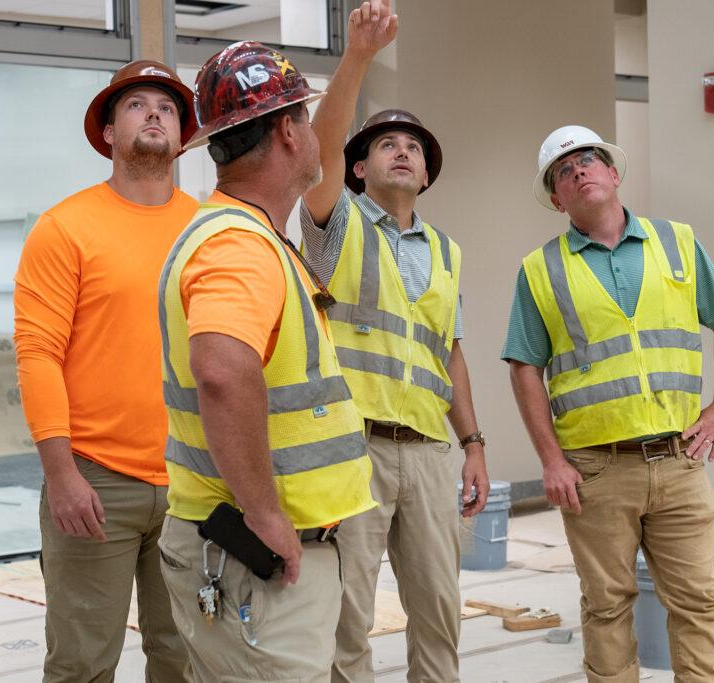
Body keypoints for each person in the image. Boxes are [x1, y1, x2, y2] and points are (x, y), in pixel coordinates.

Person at [154, 41, 376, 682]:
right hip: (258, 558)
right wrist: (264, 513)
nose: (314, 135)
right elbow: (222, 372)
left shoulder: (250, 236)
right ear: (287, 131)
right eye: (305, 118)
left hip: (272, 556)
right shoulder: (237, 244)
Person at [502, 125, 714, 682]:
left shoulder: (678, 243)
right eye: (564, 171)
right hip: (595, 470)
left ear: (614, 174)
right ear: (557, 199)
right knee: (607, 608)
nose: (579, 171)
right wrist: (551, 459)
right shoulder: (540, 271)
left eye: (589, 160)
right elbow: (524, 366)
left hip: (679, 460)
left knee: (697, 605)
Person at [299, 2, 490, 680]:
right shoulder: (337, 226)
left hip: (431, 454)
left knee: (440, 610)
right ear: (356, 170)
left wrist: (472, 443)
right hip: (355, 450)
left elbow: (450, 353)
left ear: (427, 176)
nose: (403, 149)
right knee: (346, 617)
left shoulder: (446, 250)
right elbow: (316, 152)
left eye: (413, 147)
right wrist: (357, 58)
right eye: (386, 143)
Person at [14, 60, 198, 681]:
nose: (153, 113)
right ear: (109, 133)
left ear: (182, 135)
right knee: (83, 663)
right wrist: (60, 474)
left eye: (167, 107)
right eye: (137, 104)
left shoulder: (206, 230)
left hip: (191, 480)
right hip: (95, 482)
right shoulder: (65, 227)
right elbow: (38, 353)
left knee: (182, 656)